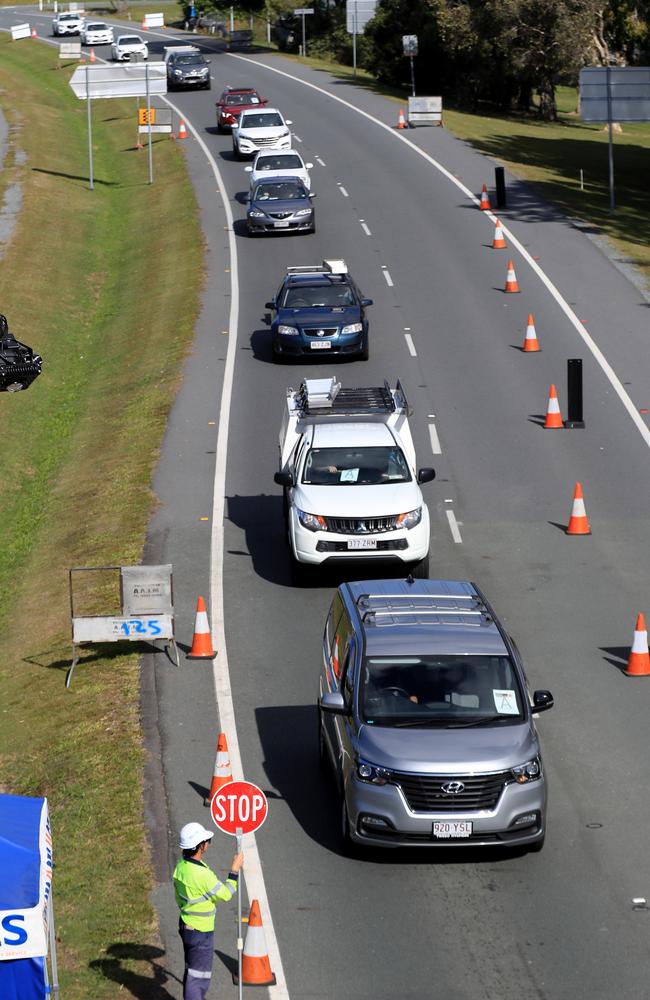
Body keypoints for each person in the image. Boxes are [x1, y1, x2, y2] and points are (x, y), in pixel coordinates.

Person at [173, 821, 244, 999]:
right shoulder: (202, 875)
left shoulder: (181, 866)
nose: (208, 843)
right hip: (201, 932)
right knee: (198, 977)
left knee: (191, 971)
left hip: (186, 924)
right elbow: (226, 894)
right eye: (206, 840)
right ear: (200, 847)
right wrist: (234, 871)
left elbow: (178, 898)